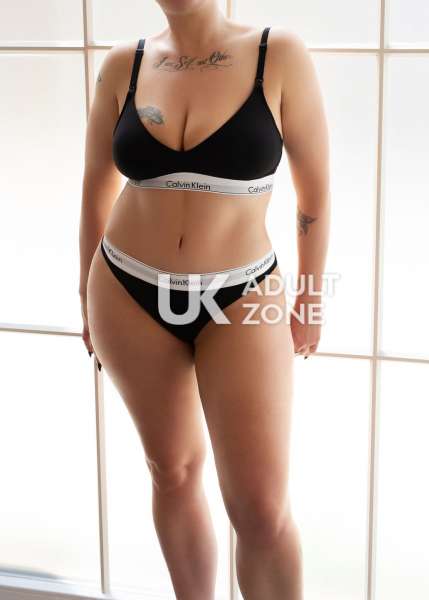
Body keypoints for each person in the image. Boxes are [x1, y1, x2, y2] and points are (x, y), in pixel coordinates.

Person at [79, 1, 330, 598]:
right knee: (172, 471)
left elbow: (315, 194)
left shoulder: (278, 54)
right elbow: (94, 188)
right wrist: (83, 299)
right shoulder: (123, 65)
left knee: (261, 510)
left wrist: (310, 300)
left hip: (244, 292)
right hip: (125, 287)